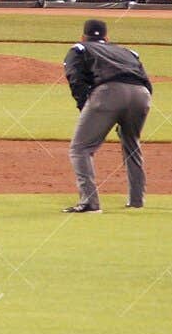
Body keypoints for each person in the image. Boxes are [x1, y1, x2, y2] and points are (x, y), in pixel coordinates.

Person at [62, 18, 152, 213]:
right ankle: (136, 200)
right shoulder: (128, 52)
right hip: (142, 95)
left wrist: (85, 106)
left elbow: (75, 78)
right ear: (107, 37)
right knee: (132, 143)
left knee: (80, 149)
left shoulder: (80, 48)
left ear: (83, 36)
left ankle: (90, 203)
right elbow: (146, 82)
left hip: (108, 94)